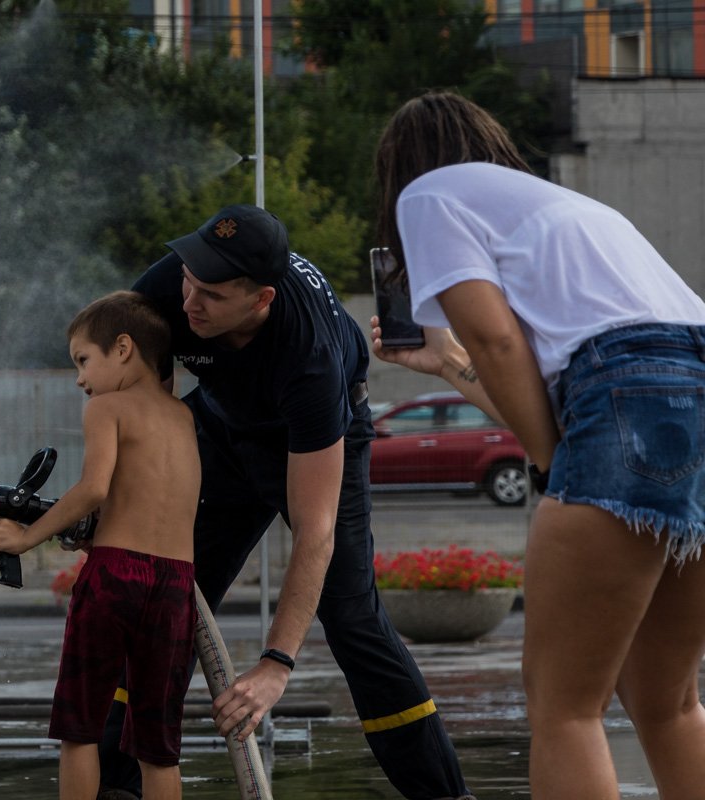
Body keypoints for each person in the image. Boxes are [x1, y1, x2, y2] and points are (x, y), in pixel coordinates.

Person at [370, 90, 705, 798]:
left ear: (400, 166)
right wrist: (444, 365)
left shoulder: (426, 194)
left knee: (564, 708)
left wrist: (557, 469)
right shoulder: (567, 212)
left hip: (627, 391)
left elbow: (497, 339)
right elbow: (544, 373)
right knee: (667, 701)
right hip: (684, 380)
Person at [103, 204, 475, 799]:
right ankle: (115, 787)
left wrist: (276, 664)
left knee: (353, 621)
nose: (190, 302)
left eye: (213, 295)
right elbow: (139, 398)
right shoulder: (168, 286)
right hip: (221, 428)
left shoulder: (309, 362)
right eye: (188, 282)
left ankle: (443, 795)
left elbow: (315, 530)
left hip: (311, 438)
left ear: (261, 300)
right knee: (162, 599)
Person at [0, 290, 202, 800]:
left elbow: (94, 488)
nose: (80, 378)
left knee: (80, 728)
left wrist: (24, 538)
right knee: (158, 746)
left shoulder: (107, 408)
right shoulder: (184, 417)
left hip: (115, 577)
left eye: (83, 360)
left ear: (122, 348)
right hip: (176, 585)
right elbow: (143, 499)